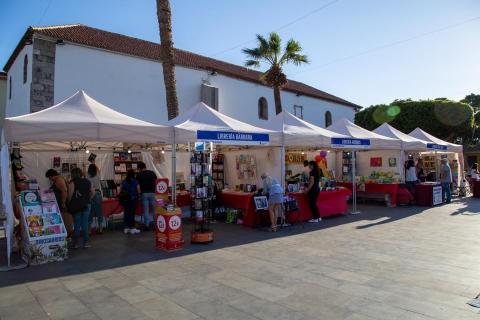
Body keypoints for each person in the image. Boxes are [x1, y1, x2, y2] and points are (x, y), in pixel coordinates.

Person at [68, 168, 92, 249]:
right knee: (85, 225)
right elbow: (93, 192)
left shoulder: (72, 182)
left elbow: (70, 195)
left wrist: (68, 202)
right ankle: (86, 243)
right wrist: (88, 199)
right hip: (86, 205)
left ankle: (75, 243)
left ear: (73, 174)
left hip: (76, 207)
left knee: (77, 225)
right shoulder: (87, 181)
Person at [45, 169, 73, 236]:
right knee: (64, 220)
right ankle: (67, 234)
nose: (50, 179)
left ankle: (68, 235)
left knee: (65, 220)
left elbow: (64, 190)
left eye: (49, 177)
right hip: (61, 204)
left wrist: (63, 202)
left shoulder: (59, 180)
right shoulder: (58, 180)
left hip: (63, 204)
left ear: (52, 176)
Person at [136, 162, 157, 230]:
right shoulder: (152, 173)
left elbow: (138, 186)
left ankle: (147, 225)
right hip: (152, 193)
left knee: (146, 210)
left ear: (139, 168)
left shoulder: (139, 174)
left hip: (144, 193)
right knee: (154, 210)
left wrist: (139, 194)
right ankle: (156, 224)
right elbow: (156, 182)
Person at [120, 169, 141, 235]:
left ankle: (126, 228)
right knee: (132, 213)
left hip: (125, 200)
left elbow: (120, 190)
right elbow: (139, 190)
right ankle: (132, 228)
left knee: (126, 213)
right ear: (133, 174)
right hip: (133, 199)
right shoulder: (135, 181)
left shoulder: (124, 181)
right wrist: (139, 195)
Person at [86, 164, 103, 234]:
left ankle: (89, 230)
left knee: (90, 212)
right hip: (97, 194)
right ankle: (100, 228)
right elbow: (99, 170)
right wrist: (95, 164)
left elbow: (85, 173)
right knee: (99, 212)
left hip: (90, 195)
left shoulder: (87, 177)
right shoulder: (97, 176)